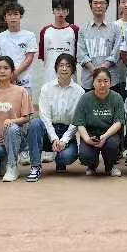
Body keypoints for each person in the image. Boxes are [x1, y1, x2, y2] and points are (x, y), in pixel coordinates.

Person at [25, 53, 85, 182]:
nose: (64, 68)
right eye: (61, 65)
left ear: (73, 69)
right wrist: (53, 138)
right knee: (35, 123)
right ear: (56, 68)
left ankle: (60, 159)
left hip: (67, 131)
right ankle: (35, 166)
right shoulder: (46, 88)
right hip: (47, 131)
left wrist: (64, 140)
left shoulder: (79, 91)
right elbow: (44, 117)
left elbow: (77, 120)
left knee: (67, 157)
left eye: (68, 66)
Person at [74, 68, 126, 177]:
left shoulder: (117, 98)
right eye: (99, 81)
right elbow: (80, 123)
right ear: (93, 82)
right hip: (91, 134)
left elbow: (118, 122)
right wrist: (87, 139)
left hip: (110, 134)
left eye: (106, 81)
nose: (102, 84)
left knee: (112, 145)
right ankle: (92, 165)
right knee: (85, 155)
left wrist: (105, 136)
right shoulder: (85, 98)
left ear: (110, 82)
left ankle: (110, 166)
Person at [77, 0, 121, 93]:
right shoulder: (83, 29)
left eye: (102, 3)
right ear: (90, 5)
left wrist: (103, 68)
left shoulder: (115, 28)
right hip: (89, 81)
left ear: (107, 5)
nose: (98, 6)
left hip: (111, 81)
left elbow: (116, 52)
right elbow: (81, 53)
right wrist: (93, 70)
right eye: (95, 3)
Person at [0, 2, 38, 93]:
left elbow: (29, 58)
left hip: (24, 81)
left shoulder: (29, 35)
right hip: (4, 80)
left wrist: (15, 74)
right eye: (9, 14)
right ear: (5, 18)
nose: (13, 17)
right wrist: (7, 73)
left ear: (20, 16)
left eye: (16, 14)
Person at [38, 0, 79, 84]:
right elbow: (43, 57)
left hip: (70, 80)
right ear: (53, 11)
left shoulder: (75, 30)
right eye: (57, 9)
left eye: (64, 9)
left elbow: (78, 56)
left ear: (68, 11)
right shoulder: (45, 31)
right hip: (49, 78)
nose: (61, 12)